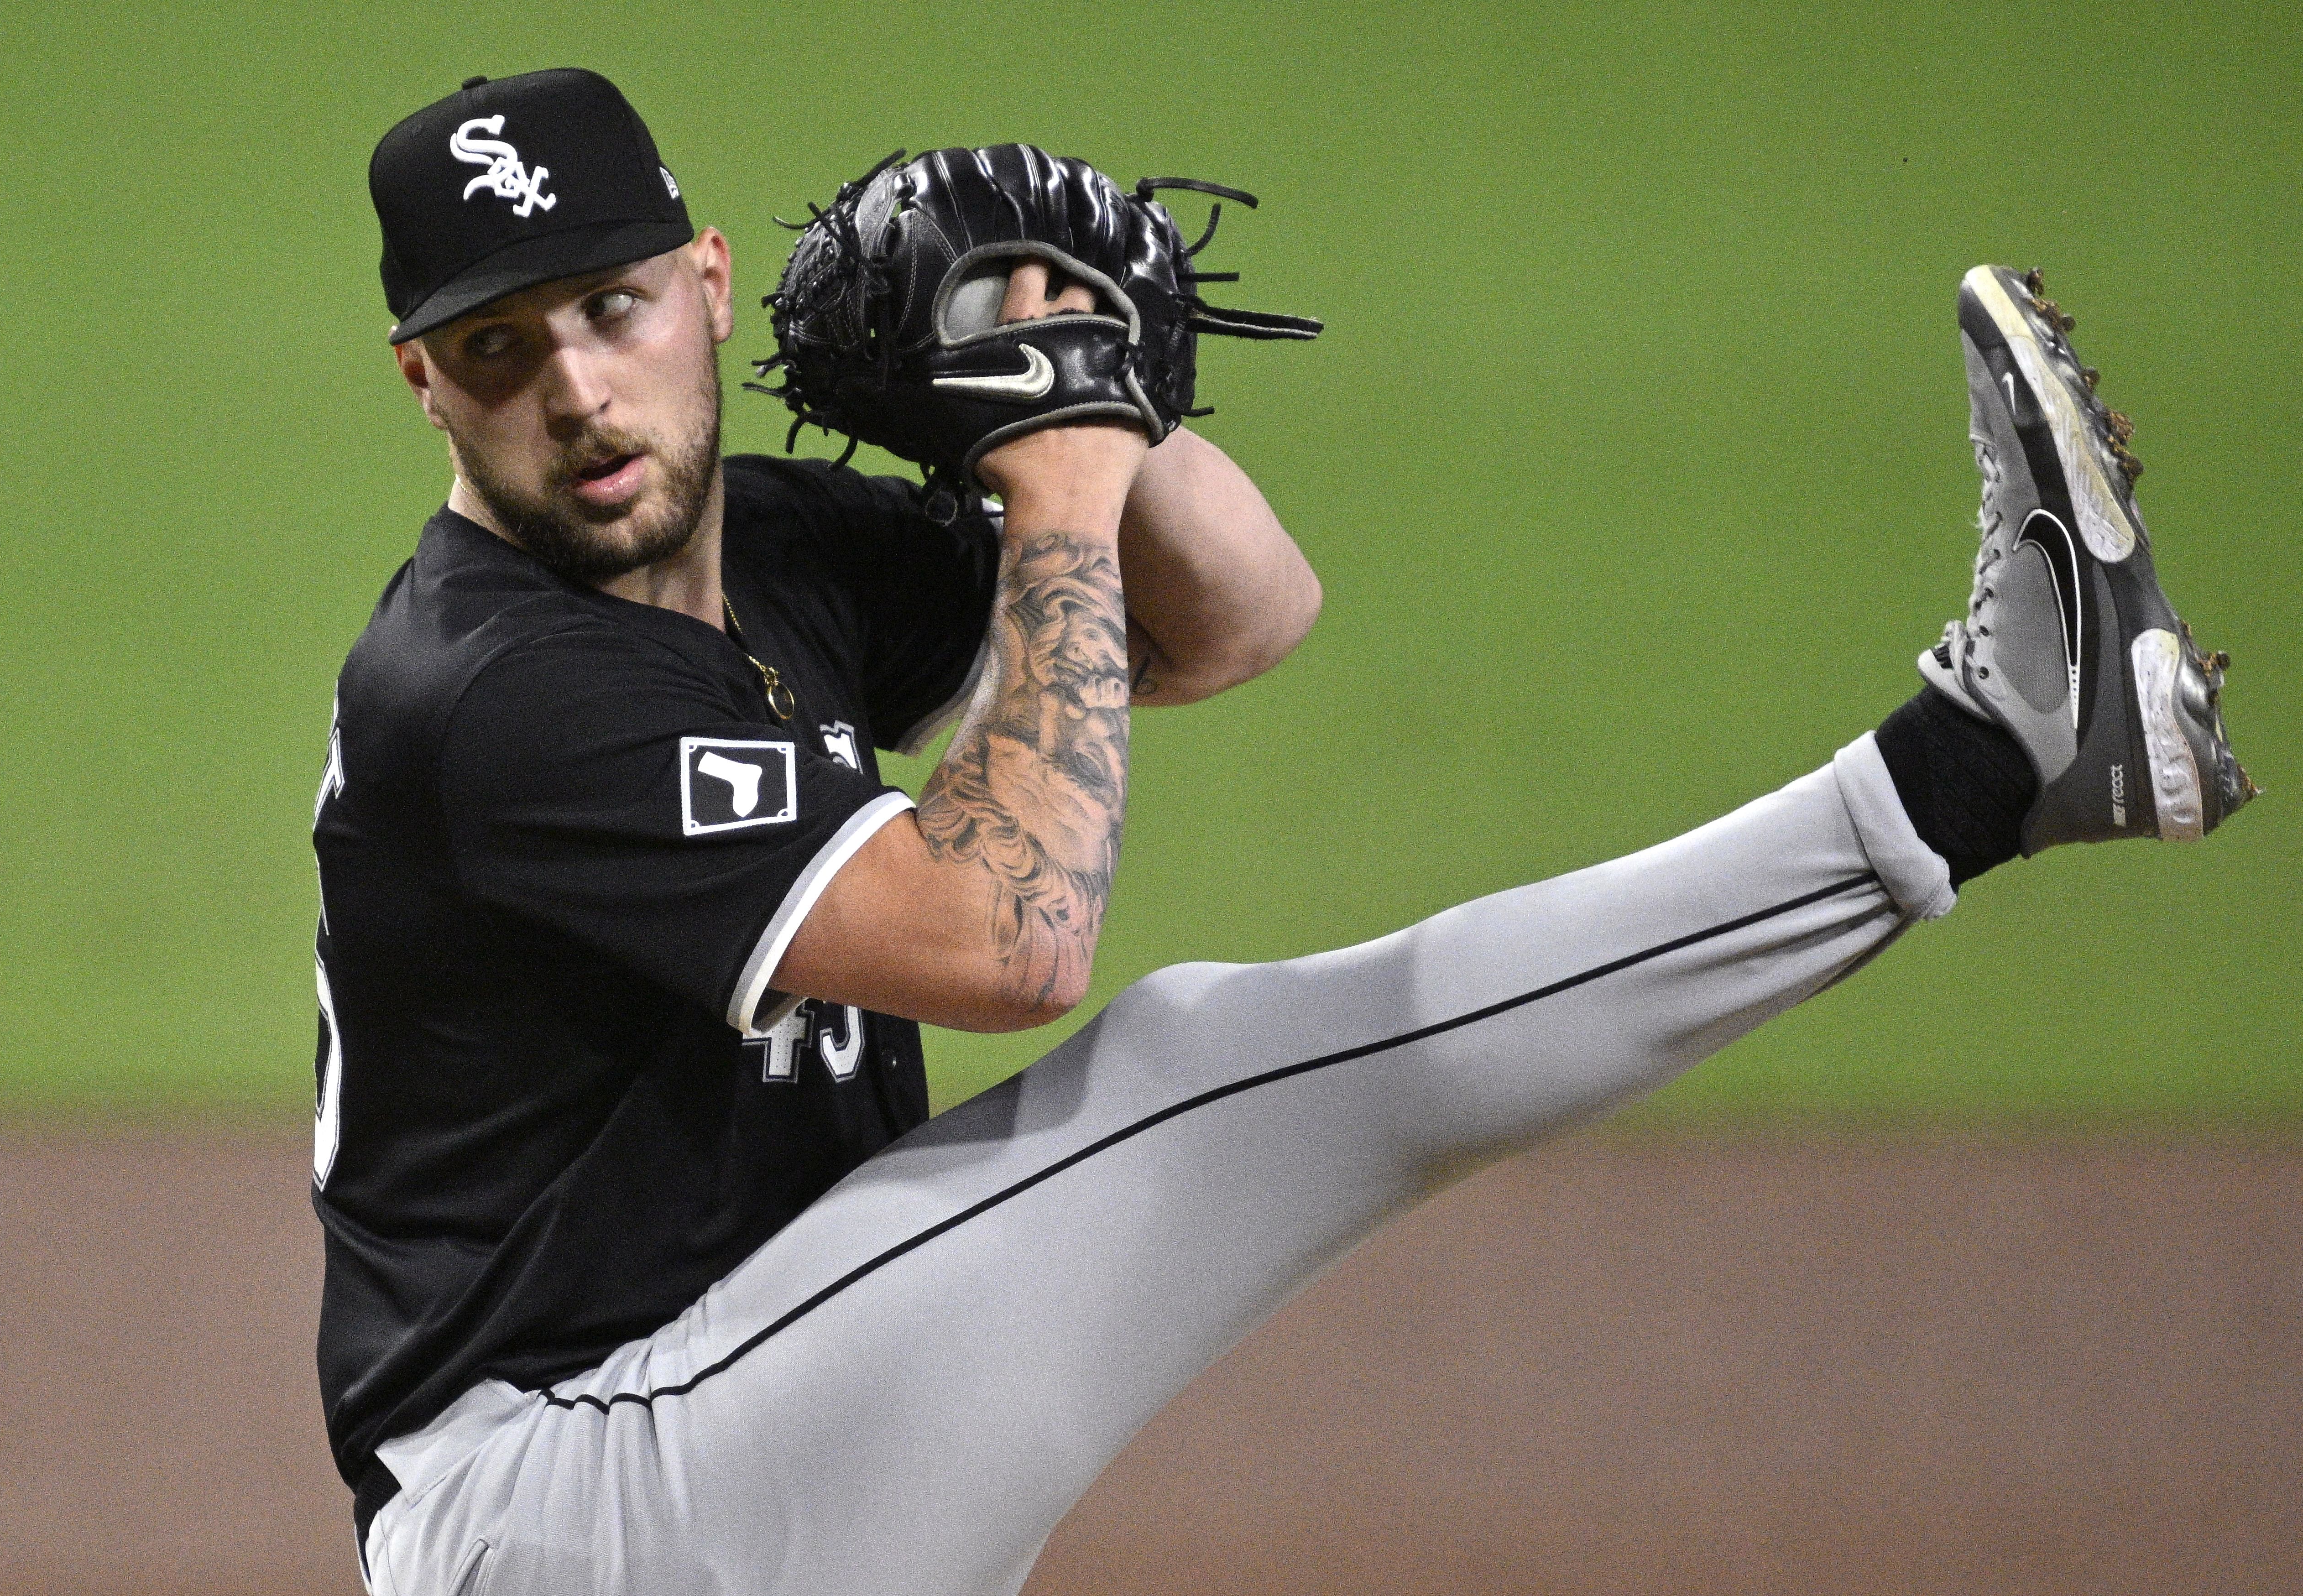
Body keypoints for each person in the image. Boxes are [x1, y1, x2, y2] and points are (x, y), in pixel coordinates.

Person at [313, 68, 2251, 1596]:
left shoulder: (776, 554)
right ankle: (1985, 760)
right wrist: (1056, 482)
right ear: (422, 381)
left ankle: (2005, 754)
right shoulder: (487, 691)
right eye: (500, 346)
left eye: (613, 306)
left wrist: (1098, 393)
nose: (577, 386)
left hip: (767, 1422)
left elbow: (1242, 612)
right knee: (1191, 1060)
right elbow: (1011, 942)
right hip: (580, 1500)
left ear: (708, 287)